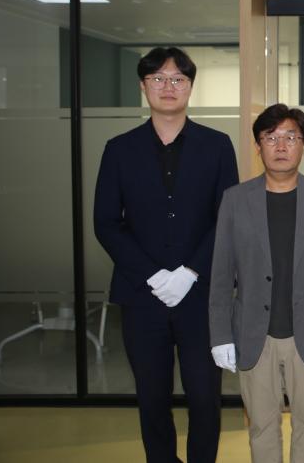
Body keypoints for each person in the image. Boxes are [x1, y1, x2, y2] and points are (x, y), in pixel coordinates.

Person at [94, 46, 238, 463]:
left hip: (201, 296)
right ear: (144, 87)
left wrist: (190, 271)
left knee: (205, 397)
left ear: (190, 87)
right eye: (158, 78)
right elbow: (106, 222)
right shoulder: (119, 149)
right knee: (152, 397)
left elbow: (227, 217)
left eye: (178, 79)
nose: (168, 86)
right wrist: (153, 275)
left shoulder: (217, 145)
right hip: (142, 297)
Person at [208, 104, 304, 463]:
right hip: (254, 333)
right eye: (271, 137)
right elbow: (221, 272)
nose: (281, 146)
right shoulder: (235, 200)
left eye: (291, 137)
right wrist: (220, 335)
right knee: (261, 426)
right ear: (258, 145)